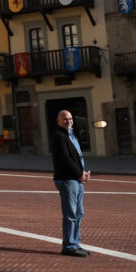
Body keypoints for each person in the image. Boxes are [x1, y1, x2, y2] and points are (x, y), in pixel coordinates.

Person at [51, 110, 91, 257]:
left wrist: (83, 173)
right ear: (59, 121)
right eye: (64, 119)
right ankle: (69, 246)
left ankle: (75, 243)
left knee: (79, 213)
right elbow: (65, 160)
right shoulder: (59, 137)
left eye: (70, 118)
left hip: (75, 179)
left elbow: (76, 157)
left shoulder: (71, 134)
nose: (68, 121)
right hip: (67, 179)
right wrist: (80, 174)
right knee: (70, 214)